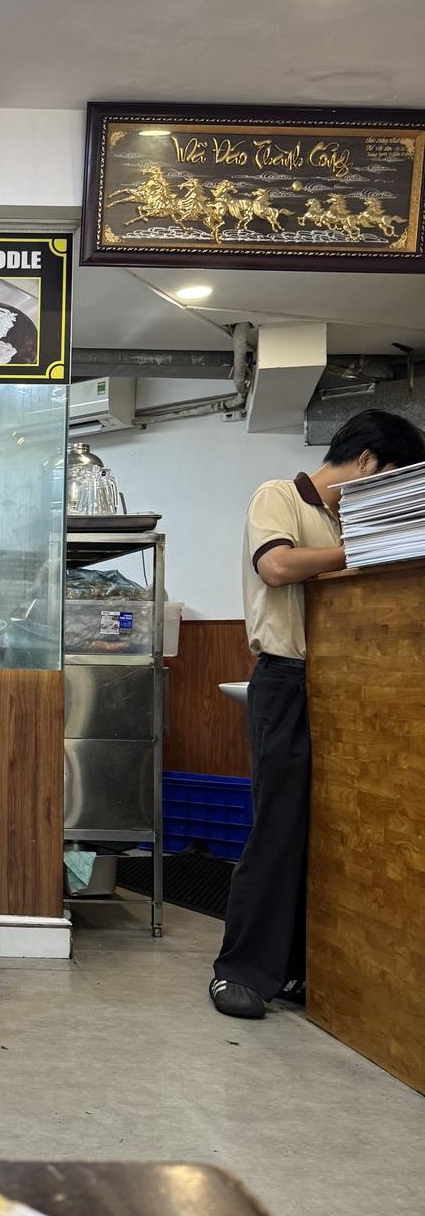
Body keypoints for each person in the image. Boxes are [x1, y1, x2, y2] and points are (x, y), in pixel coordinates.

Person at [210, 409, 425, 1020]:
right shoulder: (279, 496)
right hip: (286, 679)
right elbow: (276, 566)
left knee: (333, 829)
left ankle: (298, 968)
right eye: (390, 476)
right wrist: (361, 549)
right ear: (366, 461)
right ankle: (239, 971)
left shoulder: (341, 520)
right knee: (278, 827)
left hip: (345, 686)